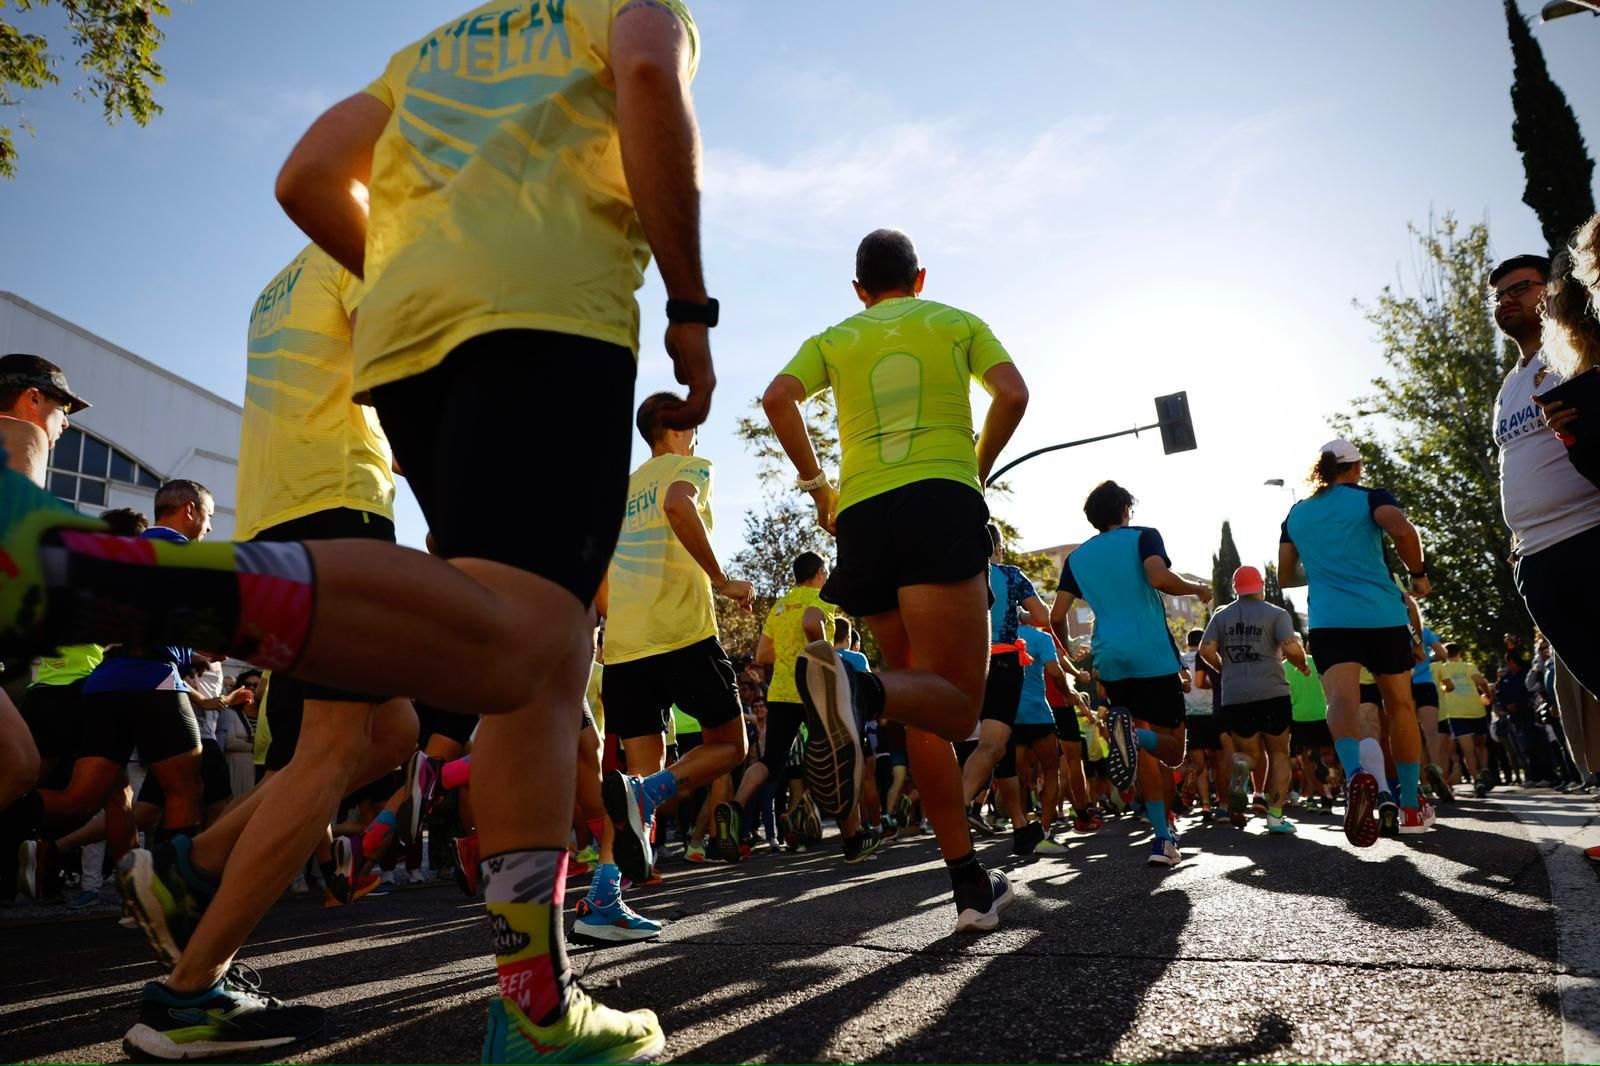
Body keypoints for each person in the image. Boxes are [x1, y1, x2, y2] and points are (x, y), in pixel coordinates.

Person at [0, 2, 713, 1060]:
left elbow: (301, 177)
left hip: (409, 351)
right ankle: (127, 580)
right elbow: (650, 78)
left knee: (539, 656)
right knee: (526, 641)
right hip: (544, 314)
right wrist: (691, 305)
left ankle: (535, 998)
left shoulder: (425, 56)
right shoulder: (622, 8)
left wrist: (412, 272)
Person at [761, 227, 1028, 931]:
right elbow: (1012, 393)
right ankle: (858, 690)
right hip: (939, 500)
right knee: (960, 708)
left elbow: (777, 399)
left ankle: (969, 883)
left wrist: (819, 487)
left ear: (859, 290)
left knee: (923, 704)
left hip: (864, 515)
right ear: (920, 278)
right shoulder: (959, 321)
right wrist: (978, 460)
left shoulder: (836, 335)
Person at [599, 392, 752, 885]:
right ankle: (646, 799)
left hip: (625, 644)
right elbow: (676, 504)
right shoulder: (689, 467)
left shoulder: (618, 492)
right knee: (731, 746)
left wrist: (614, 618)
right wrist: (722, 578)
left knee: (635, 779)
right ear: (679, 429)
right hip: (680, 633)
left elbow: (599, 574)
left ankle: (606, 895)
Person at [1049, 481, 1212, 868]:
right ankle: (1137, 736)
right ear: (1125, 509)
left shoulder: (1076, 559)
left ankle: (1162, 839)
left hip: (1111, 660)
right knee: (1172, 751)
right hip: (1150, 654)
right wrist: (1198, 590)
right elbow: (1159, 579)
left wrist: (1071, 651)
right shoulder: (1143, 536)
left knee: (1142, 754)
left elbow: (1056, 617)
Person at [1279, 439, 1434, 843]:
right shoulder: (1371, 498)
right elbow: (1402, 529)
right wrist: (1418, 574)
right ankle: (1412, 805)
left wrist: (1324, 568)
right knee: (1399, 704)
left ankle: (1356, 774)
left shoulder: (1296, 513)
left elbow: (1285, 577)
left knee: (1341, 702)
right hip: (1381, 615)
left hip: (1331, 619)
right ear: (1356, 467)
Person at [712, 551, 876, 864]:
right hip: (816, 689)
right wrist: (824, 655)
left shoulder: (779, 605)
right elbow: (811, 622)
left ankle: (735, 809)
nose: (826, 577)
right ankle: (853, 840)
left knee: (771, 760)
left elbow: (762, 654)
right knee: (841, 759)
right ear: (818, 573)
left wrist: (790, 659)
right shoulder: (821, 597)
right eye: (825, 572)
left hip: (783, 691)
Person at [1490, 251, 1600, 707]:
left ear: (1551, 291)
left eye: (1521, 288)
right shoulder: (1508, 387)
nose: (1506, 300)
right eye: (1498, 295)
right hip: (1534, 558)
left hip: (1587, 534)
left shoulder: (1577, 351)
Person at [0, 354, 90, 818]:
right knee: (17, 764)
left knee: (18, 762)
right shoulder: (22, 433)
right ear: (33, 397)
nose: (66, 425)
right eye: (64, 408)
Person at [960, 525, 1052, 854]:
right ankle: (955, 815)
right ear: (997, 548)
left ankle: (1021, 827)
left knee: (1001, 750)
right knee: (992, 746)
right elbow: (1043, 616)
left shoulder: (958, 577)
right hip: (1002, 664)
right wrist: (1020, 614)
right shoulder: (1010, 575)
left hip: (967, 668)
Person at [1198, 566, 1308, 835]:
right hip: (1272, 692)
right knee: (1279, 753)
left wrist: (1225, 668)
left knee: (1250, 754)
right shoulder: (1276, 614)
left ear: (1236, 589)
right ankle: (1275, 817)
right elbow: (1291, 646)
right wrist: (1301, 663)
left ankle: (1241, 767)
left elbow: (1205, 649)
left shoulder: (1221, 616)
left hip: (1236, 695)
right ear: (1262, 587)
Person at [1179, 628, 1228, 824]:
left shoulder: (1180, 661)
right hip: (1212, 712)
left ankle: (1205, 805)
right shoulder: (1208, 656)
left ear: (1187, 642)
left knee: (1197, 763)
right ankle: (1223, 806)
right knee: (1219, 762)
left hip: (1189, 715)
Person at [1434, 643, 1491, 796]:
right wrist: (1488, 695)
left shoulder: (1442, 668)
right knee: (1481, 745)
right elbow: (1482, 682)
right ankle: (1484, 767)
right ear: (1460, 652)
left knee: (1468, 751)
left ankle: (1478, 779)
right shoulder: (1468, 666)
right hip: (1476, 711)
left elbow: (1445, 687)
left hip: (1455, 714)